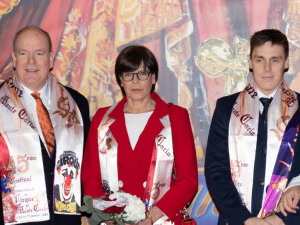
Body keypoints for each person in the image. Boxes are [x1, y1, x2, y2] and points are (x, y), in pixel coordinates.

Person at [81, 45, 198, 224]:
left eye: (142, 74)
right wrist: (111, 218)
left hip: (161, 219)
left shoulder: (175, 117)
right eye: (128, 74)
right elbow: (91, 179)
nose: (135, 81)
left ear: (153, 78)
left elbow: (188, 181)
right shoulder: (102, 119)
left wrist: (151, 217)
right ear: (120, 80)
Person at [205, 29, 300, 225]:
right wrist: (244, 219)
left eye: (275, 60)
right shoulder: (225, 108)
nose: (267, 68)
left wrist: (297, 189)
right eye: (259, 60)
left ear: (286, 62)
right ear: (249, 62)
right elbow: (216, 171)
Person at [0, 26, 90, 225]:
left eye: (39, 53)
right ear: (14, 59)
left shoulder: (77, 103)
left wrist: (87, 215)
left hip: (67, 220)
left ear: (50, 59)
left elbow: (88, 167)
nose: (31, 62)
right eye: (24, 53)